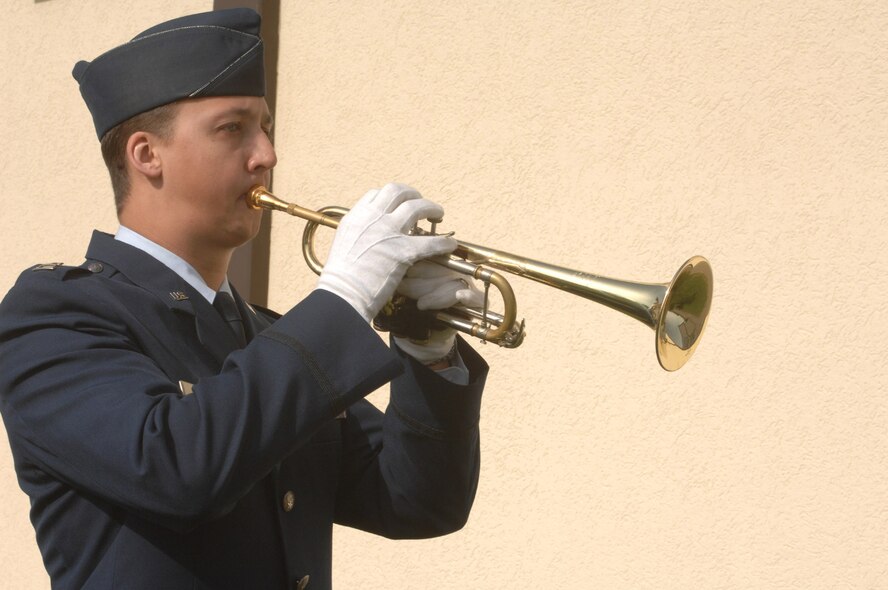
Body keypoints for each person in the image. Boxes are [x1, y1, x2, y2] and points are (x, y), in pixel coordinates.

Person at [0, 8, 488, 590]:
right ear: (146, 155)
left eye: (267, 128)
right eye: (233, 128)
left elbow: (414, 500)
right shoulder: (52, 315)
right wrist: (345, 296)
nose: (266, 155)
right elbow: (176, 468)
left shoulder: (264, 335)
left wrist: (425, 349)